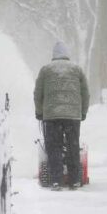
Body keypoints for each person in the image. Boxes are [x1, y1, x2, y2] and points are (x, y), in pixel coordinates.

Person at [34, 41, 89, 190]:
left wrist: (39, 112)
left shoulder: (46, 70)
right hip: (72, 116)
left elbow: (38, 93)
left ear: (54, 55)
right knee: (73, 146)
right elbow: (85, 93)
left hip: (51, 116)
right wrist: (83, 112)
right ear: (66, 55)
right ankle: (75, 180)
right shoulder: (77, 70)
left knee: (54, 147)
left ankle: (56, 180)